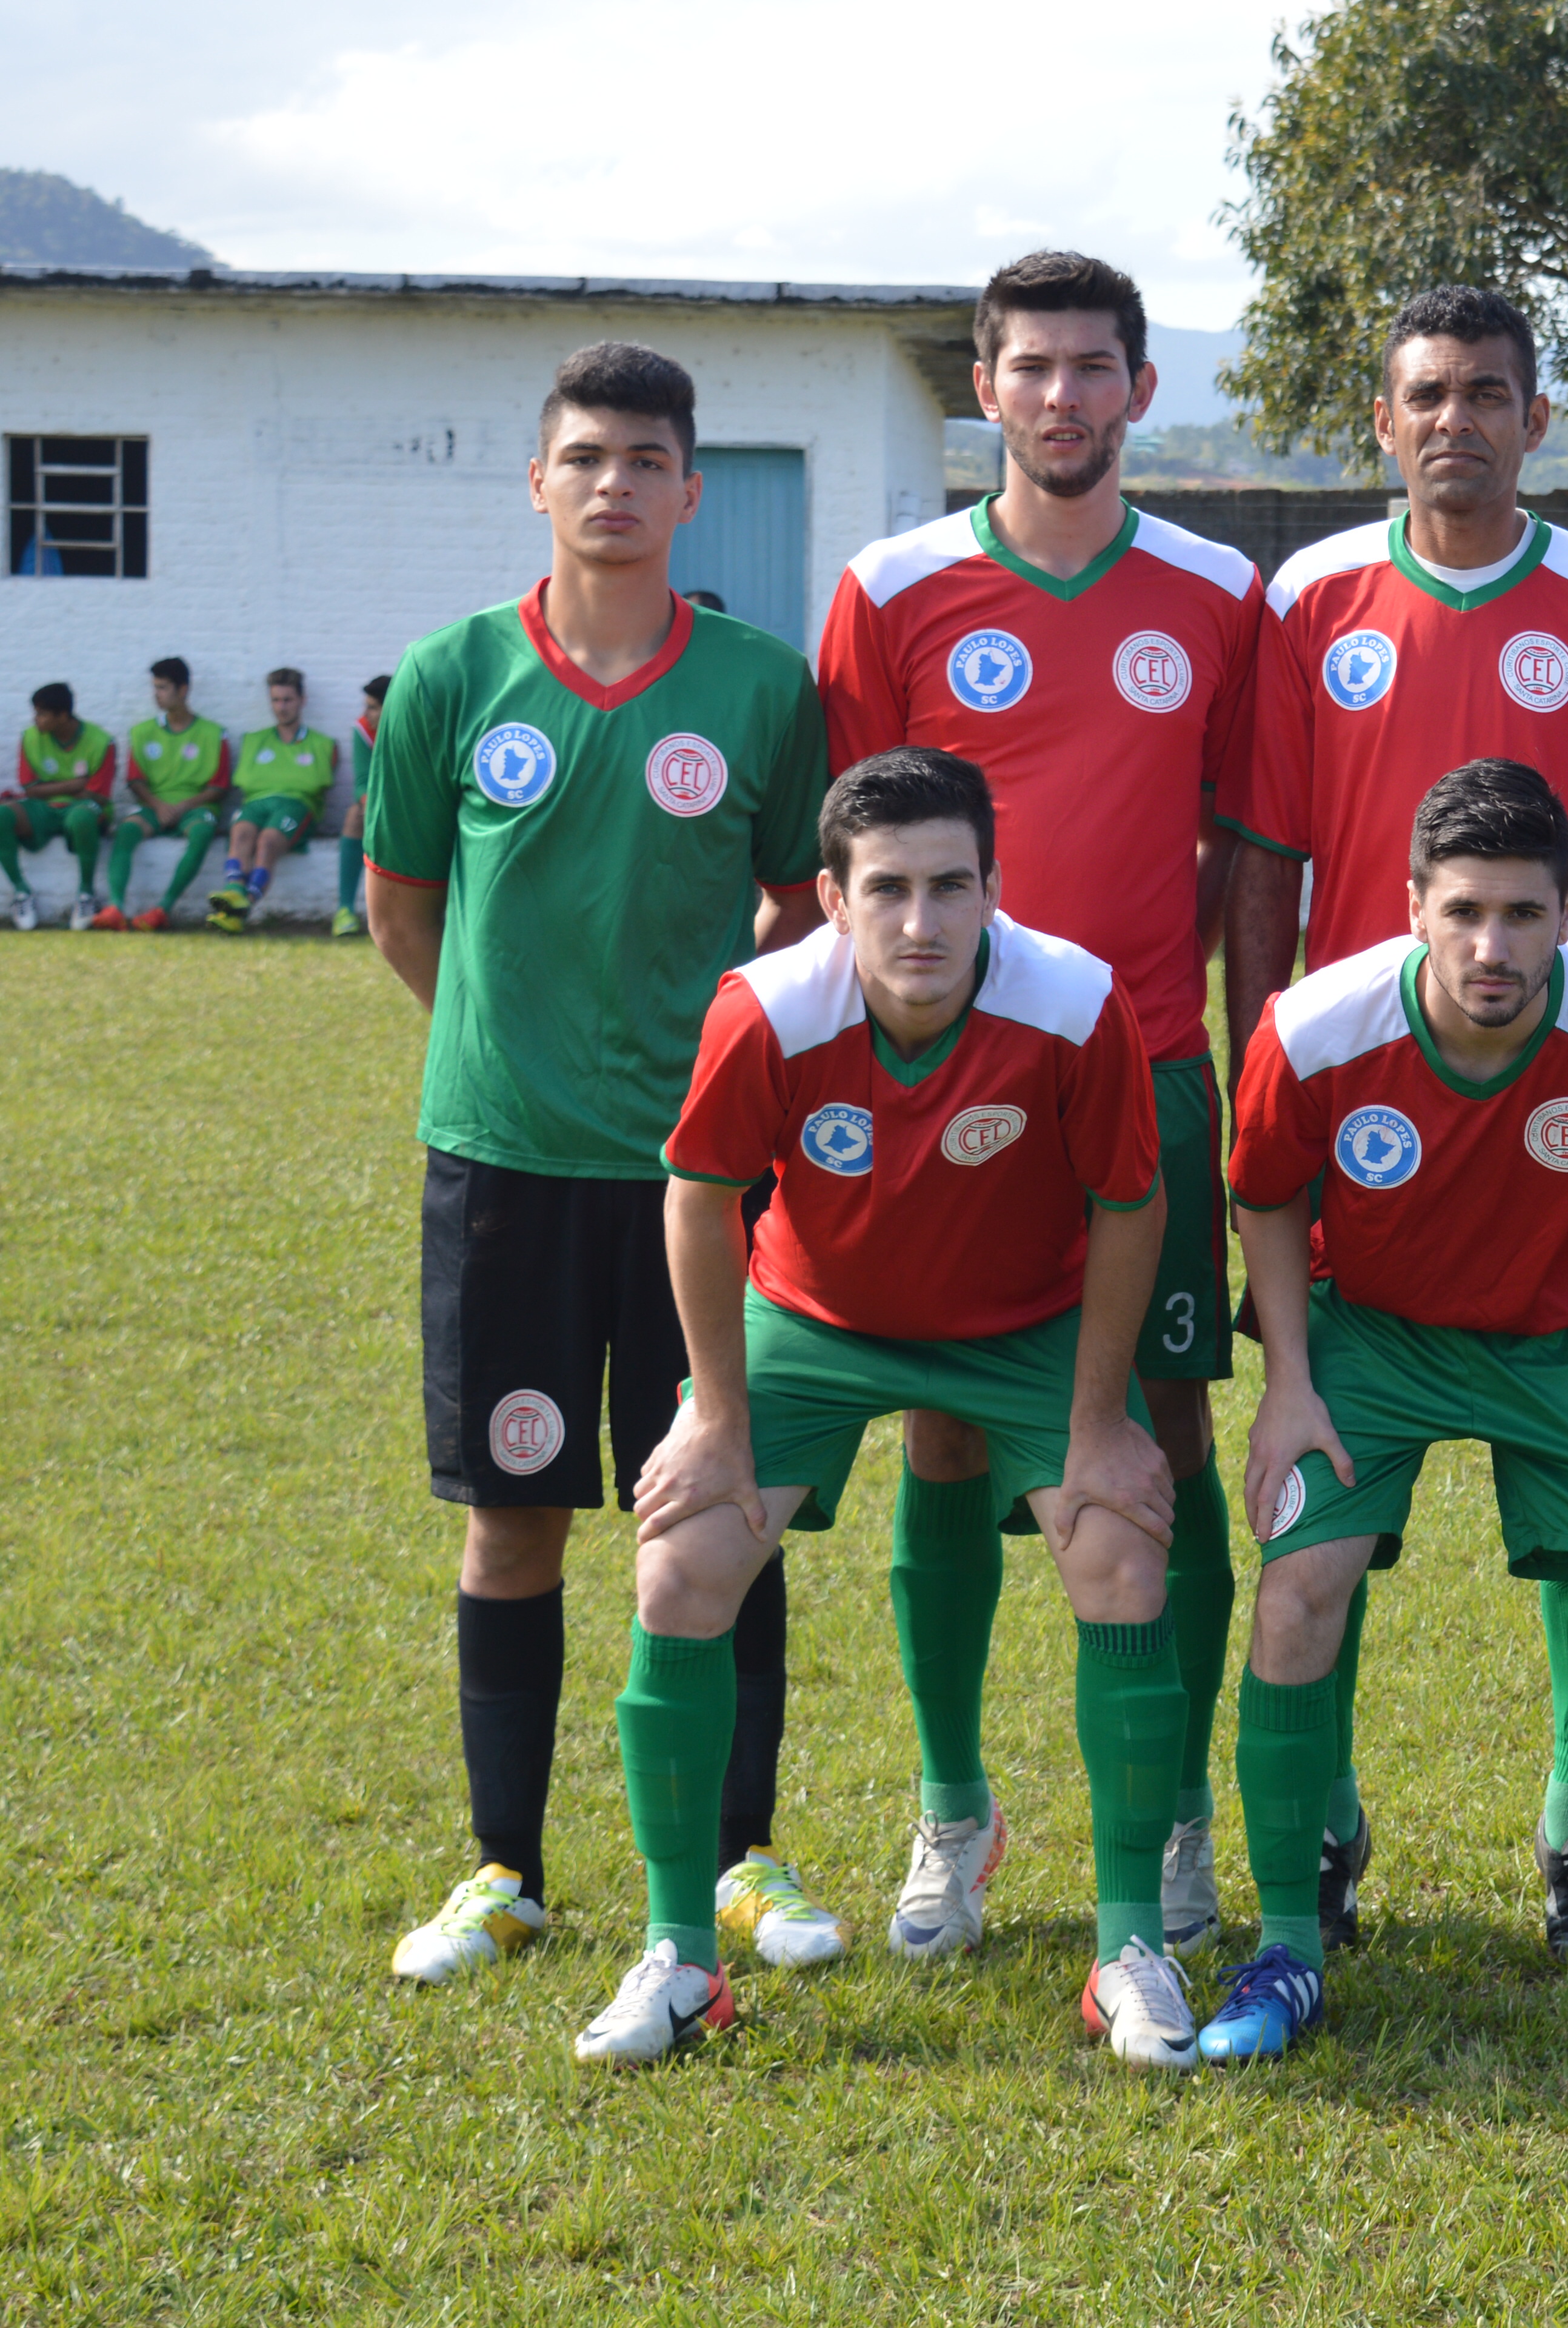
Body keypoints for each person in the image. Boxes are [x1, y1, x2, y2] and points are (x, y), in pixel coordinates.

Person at [363, 340, 846, 1993]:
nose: (616, 486)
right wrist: (508, 1050)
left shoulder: (764, 691)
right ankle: (503, 1868)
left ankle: (738, 1860)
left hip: (703, 1185)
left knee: (717, 1506)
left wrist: (691, 1063)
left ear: (690, 492)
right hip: (502, 1170)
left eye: (648, 460)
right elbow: (403, 910)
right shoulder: (447, 681)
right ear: (540, 482)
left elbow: (800, 907)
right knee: (516, 1523)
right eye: (587, 458)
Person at [592, 746, 1195, 2067]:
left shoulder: (1077, 1003)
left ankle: (1132, 1945)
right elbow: (699, 1196)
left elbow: (1128, 1206)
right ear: (831, 896)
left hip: (1023, 1323)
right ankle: (680, 1956)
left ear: (992, 889)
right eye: (888, 891)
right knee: (683, 1568)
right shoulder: (763, 1009)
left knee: (1118, 1554)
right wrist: (715, 1414)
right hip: (820, 1319)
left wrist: (1102, 1422)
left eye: (949, 887)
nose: (920, 923)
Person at [1223, 283, 1568, 1953]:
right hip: (1363, 1111)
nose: (1456, 420)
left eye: (1488, 393)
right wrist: (1253, 1093)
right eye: (1426, 393)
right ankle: (1325, 1826)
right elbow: (1267, 866)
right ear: (1383, 418)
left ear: (1536, 418)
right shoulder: (1311, 596)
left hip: (1561, 1103)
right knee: (1327, 1485)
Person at [817, 249, 1261, 1965]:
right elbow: (846, 873)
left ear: (1141, 390)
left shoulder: (1224, 593)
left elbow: (1245, 856)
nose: (1064, 397)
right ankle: (952, 1808)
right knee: (942, 1423)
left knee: (1163, 1432)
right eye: (1031, 367)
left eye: (1095, 367)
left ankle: (1171, 1817)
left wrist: (1225, 1061)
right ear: (983, 390)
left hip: (1145, 1072)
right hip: (941, 1080)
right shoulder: (896, 588)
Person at [1216, 759, 1568, 2059]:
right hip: (1378, 1336)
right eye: (1462, 912)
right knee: (1296, 1593)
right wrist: (1290, 1380)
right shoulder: (1313, 1026)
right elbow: (1269, 1194)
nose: (1491, 945)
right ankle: (1289, 1940)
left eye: (1523, 914)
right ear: (1411, 907)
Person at [94, 657, 230, 931]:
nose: (157, 695)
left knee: (202, 832)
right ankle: (116, 908)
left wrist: (182, 806)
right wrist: (157, 805)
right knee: (126, 832)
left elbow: (219, 787)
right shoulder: (143, 732)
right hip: (155, 806)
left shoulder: (214, 734)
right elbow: (134, 780)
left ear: (183, 690)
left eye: (163, 688)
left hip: (193, 808)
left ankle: (162, 910)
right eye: (155, 688)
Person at [208, 667, 343, 932]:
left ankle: (243, 906)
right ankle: (234, 894)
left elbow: (315, 784)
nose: (281, 708)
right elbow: (247, 782)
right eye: (276, 700)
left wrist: (282, 781)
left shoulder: (322, 744)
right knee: (241, 832)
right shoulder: (255, 740)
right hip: (257, 803)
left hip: (297, 805)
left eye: (288, 700)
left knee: (267, 841)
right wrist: (291, 778)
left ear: (302, 701)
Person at [9, 682, 115, 930]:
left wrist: (54, 788)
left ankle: (87, 896)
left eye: (42, 714)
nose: (36, 720)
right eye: (36, 713)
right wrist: (74, 784)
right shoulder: (30, 737)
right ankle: (21, 894)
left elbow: (98, 794)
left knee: (82, 817)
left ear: (63, 716)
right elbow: (29, 788)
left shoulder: (101, 742)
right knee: (4, 815)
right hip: (43, 808)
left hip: (84, 807)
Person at [331, 675, 388, 941]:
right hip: (381, 802)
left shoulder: (420, 727)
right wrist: (372, 806)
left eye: (373, 707)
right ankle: (345, 911)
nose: (367, 713)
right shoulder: (364, 729)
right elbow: (362, 783)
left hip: (414, 803)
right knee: (355, 816)